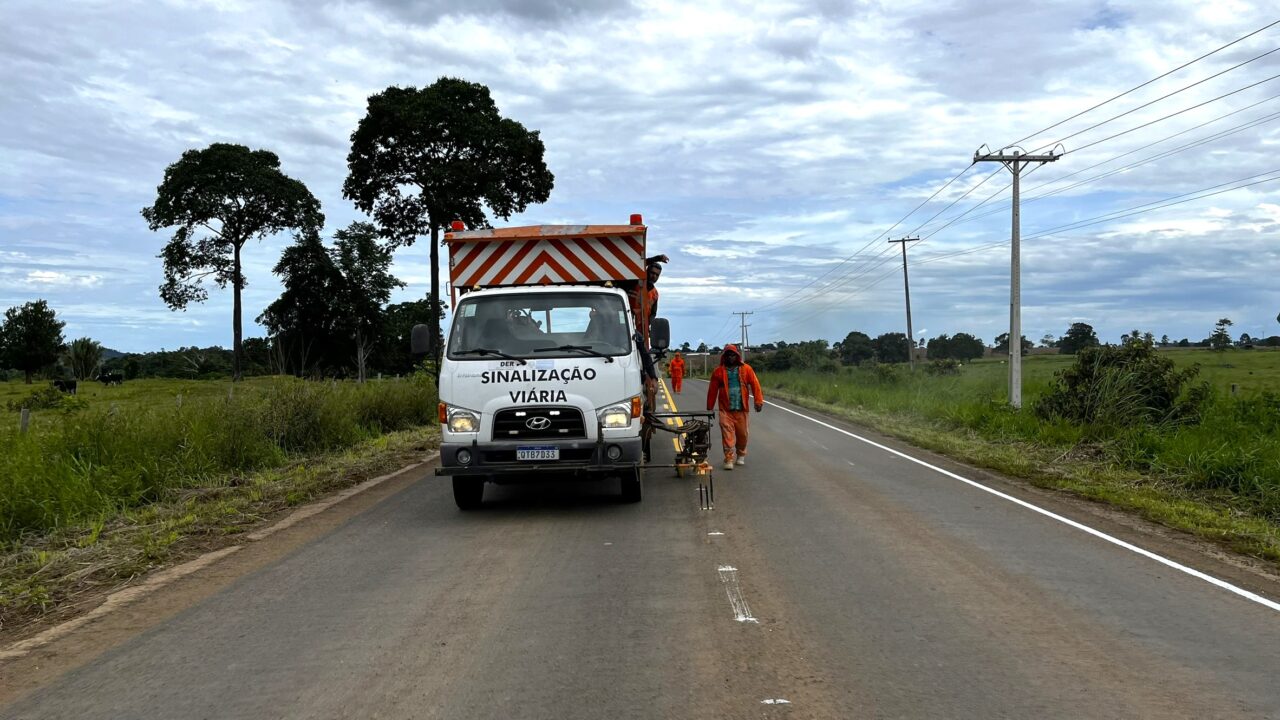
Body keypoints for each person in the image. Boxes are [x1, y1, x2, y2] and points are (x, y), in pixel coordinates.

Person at [705, 344, 763, 471]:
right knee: (727, 434)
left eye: (733, 355)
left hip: (742, 410)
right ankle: (729, 458)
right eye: (728, 355)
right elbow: (712, 390)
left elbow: (755, 384)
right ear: (724, 357)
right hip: (725, 410)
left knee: (743, 435)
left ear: (737, 356)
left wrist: (758, 402)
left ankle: (741, 454)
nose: (730, 357)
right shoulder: (718, 372)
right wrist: (710, 407)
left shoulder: (746, 369)